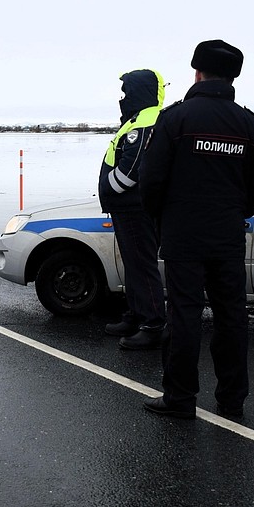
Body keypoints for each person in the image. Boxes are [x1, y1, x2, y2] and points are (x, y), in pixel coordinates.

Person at [137, 40, 254, 419]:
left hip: (183, 234)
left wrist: (163, 219)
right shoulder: (249, 124)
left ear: (197, 72)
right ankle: (232, 398)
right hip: (227, 233)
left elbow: (151, 180)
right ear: (232, 77)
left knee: (184, 313)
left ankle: (180, 398)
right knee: (232, 315)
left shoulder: (176, 119)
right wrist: (235, 210)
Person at [97, 69, 167, 349]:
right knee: (133, 265)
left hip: (135, 208)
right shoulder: (138, 119)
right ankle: (136, 314)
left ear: (140, 91)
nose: (122, 98)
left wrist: (109, 188)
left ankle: (152, 324)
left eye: (126, 92)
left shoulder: (146, 121)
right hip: (127, 208)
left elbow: (131, 170)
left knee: (142, 265)